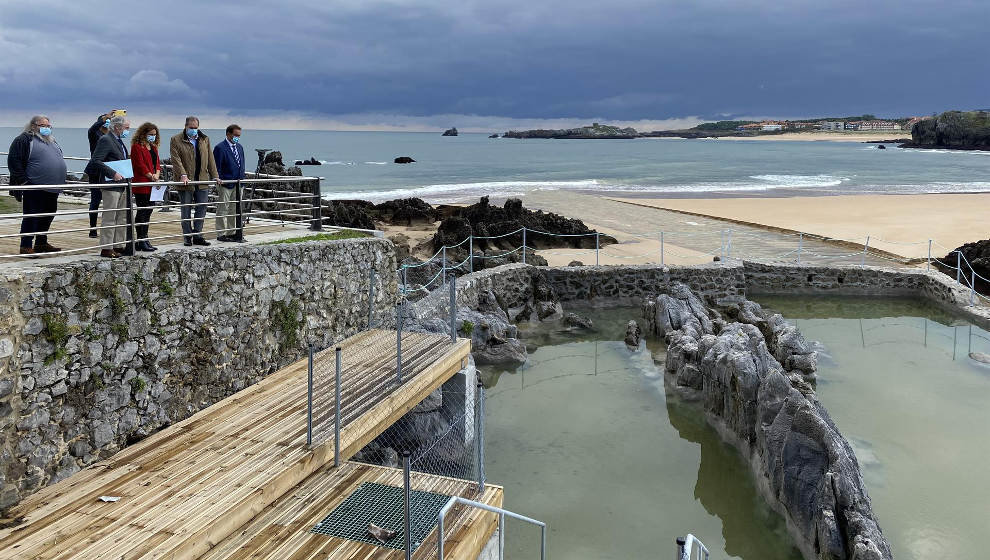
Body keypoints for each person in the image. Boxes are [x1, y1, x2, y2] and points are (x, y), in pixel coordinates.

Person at [6, 115, 66, 255]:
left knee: (48, 215)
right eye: (42, 126)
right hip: (34, 186)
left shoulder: (52, 141)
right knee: (32, 216)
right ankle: (25, 245)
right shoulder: (24, 139)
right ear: (33, 126)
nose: (46, 128)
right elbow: (14, 161)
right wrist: (24, 181)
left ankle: (41, 242)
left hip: (52, 188)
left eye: (48, 126)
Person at [169, 116, 220, 246]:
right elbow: (176, 159)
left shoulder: (204, 139)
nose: (194, 130)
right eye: (191, 128)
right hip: (186, 181)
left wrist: (215, 176)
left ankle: (197, 234)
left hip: (202, 180)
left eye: (196, 128)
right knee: (186, 208)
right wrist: (183, 174)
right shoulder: (176, 139)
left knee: (202, 207)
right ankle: (187, 236)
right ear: (186, 126)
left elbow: (210, 158)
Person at [88, 115, 132, 258]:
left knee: (122, 216)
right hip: (111, 184)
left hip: (122, 183)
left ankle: (119, 245)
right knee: (110, 216)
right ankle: (106, 247)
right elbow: (96, 160)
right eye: (126, 128)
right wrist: (112, 173)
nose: (128, 130)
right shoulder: (106, 140)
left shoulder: (119, 141)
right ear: (118, 127)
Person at [86, 109, 122, 238]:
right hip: (96, 171)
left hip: (110, 171)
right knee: (95, 200)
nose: (107, 123)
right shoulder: (94, 134)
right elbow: (91, 129)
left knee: (111, 200)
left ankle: (110, 228)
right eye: (105, 121)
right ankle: (93, 228)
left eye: (109, 121)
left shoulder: (112, 136)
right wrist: (105, 117)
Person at [130, 122, 161, 252]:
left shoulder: (153, 148)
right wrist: (150, 176)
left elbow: (157, 163)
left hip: (152, 183)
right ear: (143, 134)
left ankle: (145, 238)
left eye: (154, 135)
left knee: (149, 210)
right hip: (142, 182)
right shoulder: (137, 147)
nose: (152, 137)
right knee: (142, 210)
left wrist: (157, 174)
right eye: (150, 134)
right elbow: (139, 164)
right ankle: (140, 239)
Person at [213, 124, 246, 242]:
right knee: (223, 208)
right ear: (228, 134)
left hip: (238, 183)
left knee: (235, 208)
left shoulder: (240, 147)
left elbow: (241, 164)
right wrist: (219, 179)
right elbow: (216, 166)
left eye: (239, 135)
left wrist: (242, 179)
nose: (237, 137)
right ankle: (221, 233)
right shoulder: (220, 148)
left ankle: (232, 232)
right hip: (225, 183)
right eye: (235, 135)